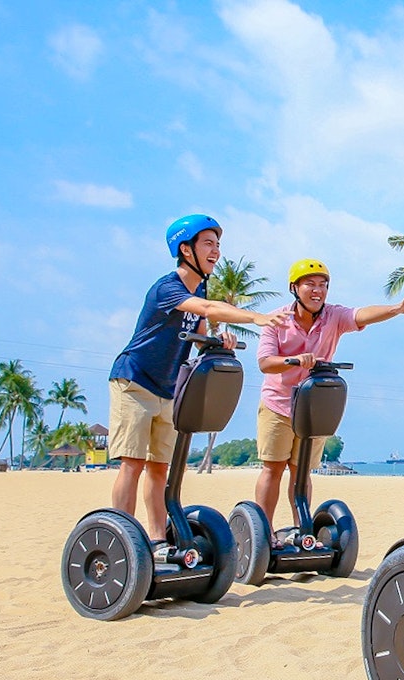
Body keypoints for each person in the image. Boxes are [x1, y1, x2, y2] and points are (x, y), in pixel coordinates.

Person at [109, 214, 286, 556]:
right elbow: (205, 308)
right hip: (133, 380)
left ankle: (158, 540)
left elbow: (201, 334)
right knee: (132, 463)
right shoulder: (168, 287)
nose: (216, 251)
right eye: (208, 243)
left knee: (160, 468)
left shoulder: (200, 286)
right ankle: (122, 538)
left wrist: (222, 340)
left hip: (167, 388)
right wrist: (255, 317)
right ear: (185, 249)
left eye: (218, 244)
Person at [255, 258, 404, 541]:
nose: (317, 290)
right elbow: (265, 363)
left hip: (313, 407)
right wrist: (294, 360)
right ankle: (263, 532)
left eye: (323, 285)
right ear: (294, 288)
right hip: (279, 404)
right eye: (310, 284)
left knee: (301, 471)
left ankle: (302, 531)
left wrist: (396, 309)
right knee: (273, 468)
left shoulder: (334, 316)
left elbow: (362, 314)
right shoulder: (277, 320)